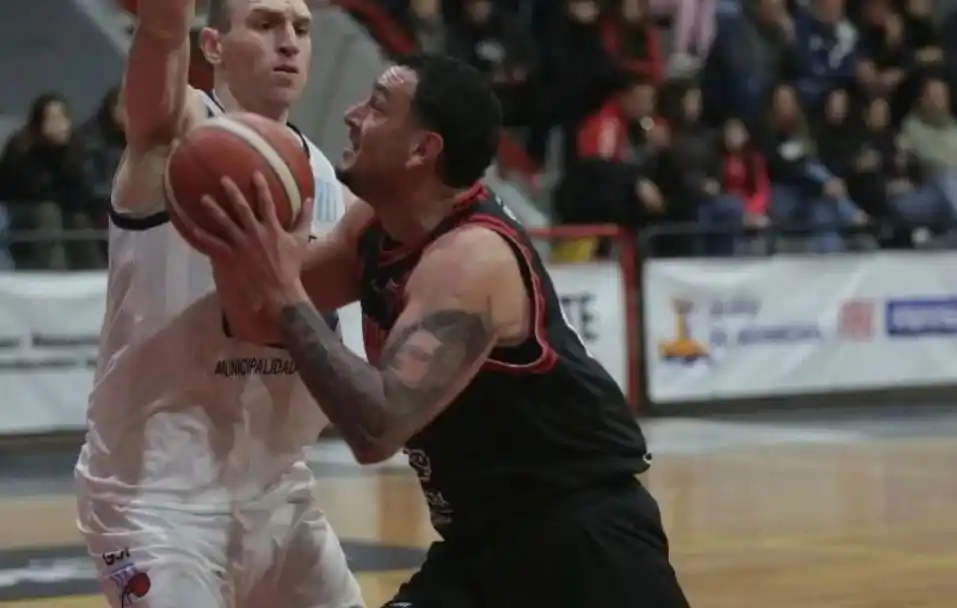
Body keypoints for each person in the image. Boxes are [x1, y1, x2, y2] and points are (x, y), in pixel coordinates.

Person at [177, 52, 689, 608]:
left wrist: (284, 294)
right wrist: (237, 229)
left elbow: (376, 426)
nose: (351, 115)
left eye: (374, 107)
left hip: (584, 548)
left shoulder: (471, 261)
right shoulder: (374, 226)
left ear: (423, 149)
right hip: (482, 546)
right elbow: (256, 313)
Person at [72, 0, 364, 606]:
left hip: (279, 491)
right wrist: (162, 23)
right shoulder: (176, 140)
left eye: (302, 29)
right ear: (212, 48)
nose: (289, 41)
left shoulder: (330, 182)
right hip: (156, 501)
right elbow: (157, 51)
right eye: (265, 24)